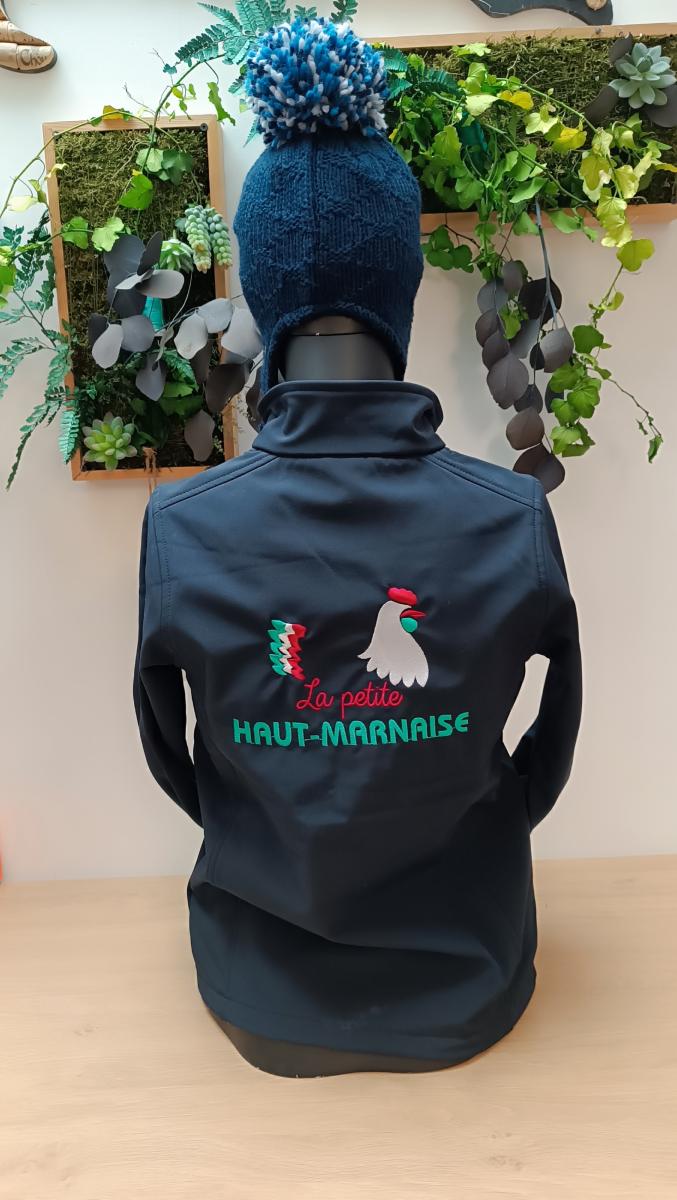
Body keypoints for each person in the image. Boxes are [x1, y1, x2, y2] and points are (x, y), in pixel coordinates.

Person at [134, 17, 582, 1077]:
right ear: (400, 289)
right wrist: (480, 829)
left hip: (257, 977)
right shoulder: (508, 513)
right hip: (469, 972)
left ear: (262, 294)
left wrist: (258, 827)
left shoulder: (184, 522)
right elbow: (553, 742)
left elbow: (168, 751)